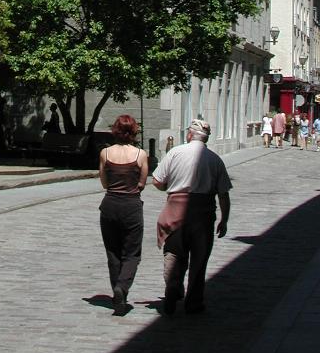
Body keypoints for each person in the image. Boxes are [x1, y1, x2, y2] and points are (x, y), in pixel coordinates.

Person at [152, 120, 232, 315]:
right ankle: (194, 301)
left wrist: (169, 189)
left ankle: (172, 288)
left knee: (173, 253)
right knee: (199, 258)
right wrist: (224, 219)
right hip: (203, 214)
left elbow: (157, 181)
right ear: (206, 138)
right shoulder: (215, 159)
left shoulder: (175, 152)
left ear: (189, 135)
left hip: (175, 209)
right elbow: (223, 193)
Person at [98, 115, 148, 315]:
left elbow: (103, 181)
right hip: (131, 205)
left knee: (113, 252)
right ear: (134, 131)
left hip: (109, 204)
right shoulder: (140, 155)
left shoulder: (105, 153)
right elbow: (142, 184)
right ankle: (122, 287)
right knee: (132, 252)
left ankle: (117, 295)